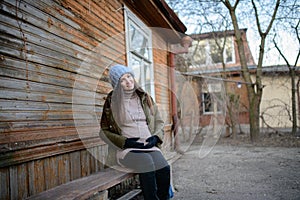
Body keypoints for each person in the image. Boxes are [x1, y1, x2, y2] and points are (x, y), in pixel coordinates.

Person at [100, 64, 171, 200]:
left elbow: (159, 122)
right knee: (147, 164)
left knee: (164, 168)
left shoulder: (144, 97)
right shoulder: (112, 101)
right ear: (117, 85)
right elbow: (103, 131)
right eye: (123, 80)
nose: (128, 81)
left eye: (129, 76)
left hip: (149, 146)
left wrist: (156, 138)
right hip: (127, 150)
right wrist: (125, 142)